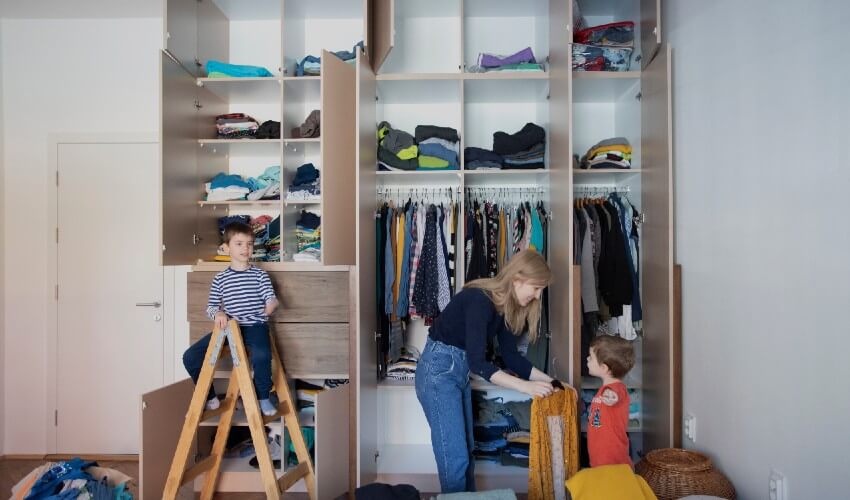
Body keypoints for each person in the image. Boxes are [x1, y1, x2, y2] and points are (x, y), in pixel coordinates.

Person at [415, 249, 557, 492]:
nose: (537, 296)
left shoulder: (502, 309)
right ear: (516, 279)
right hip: (438, 370)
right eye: (536, 288)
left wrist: (554, 383)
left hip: (455, 372)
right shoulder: (480, 300)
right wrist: (526, 387)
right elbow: (478, 363)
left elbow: (512, 358)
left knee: (467, 450)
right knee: (455, 455)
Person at [182, 222, 280, 416]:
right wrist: (218, 313)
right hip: (230, 327)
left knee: (262, 356)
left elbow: (271, 299)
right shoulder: (221, 278)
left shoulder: (260, 275)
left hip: (254, 325)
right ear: (226, 248)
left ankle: (263, 397)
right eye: (239, 243)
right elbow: (211, 307)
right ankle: (210, 397)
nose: (246, 248)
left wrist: (270, 307)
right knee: (190, 356)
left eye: (250, 244)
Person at [585, 335, 635, 468]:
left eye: (591, 357)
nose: (587, 359)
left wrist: (612, 396)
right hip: (599, 458)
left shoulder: (617, 388)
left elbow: (616, 395)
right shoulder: (604, 389)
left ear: (604, 368)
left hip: (613, 461)